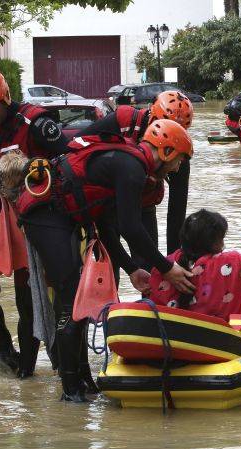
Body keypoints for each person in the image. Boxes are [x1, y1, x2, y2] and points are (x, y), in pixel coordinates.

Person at [17, 119, 195, 401]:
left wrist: (132, 268)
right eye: (179, 162)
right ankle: (71, 392)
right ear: (167, 151)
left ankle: (83, 380)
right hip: (44, 213)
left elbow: (107, 225)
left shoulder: (129, 165)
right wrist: (166, 267)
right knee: (72, 300)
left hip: (61, 215)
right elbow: (131, 227)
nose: (176, 169)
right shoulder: (132, 168)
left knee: (80, 302)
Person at [0, 68, 69, 379]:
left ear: (4, 99)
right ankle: (6, 352)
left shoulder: (35, 123)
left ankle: (27, 373)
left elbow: (65, 168)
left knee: (28, 299)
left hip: (32, 218)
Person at [77, 91, 193, 263]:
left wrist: (173, 262)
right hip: (106, 204)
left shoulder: (177, 155)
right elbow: (79, 145)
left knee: (150, 267)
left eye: (177, 131)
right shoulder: (124, 120)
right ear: (152, 116)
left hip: (143, 205)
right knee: (109, 265)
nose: (171, 136)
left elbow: (176, 212)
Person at [148, 209, 241, 347]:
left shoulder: (165, 269)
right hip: (237, 344)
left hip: (183, 346)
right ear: (217, 242)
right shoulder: (232, 261)